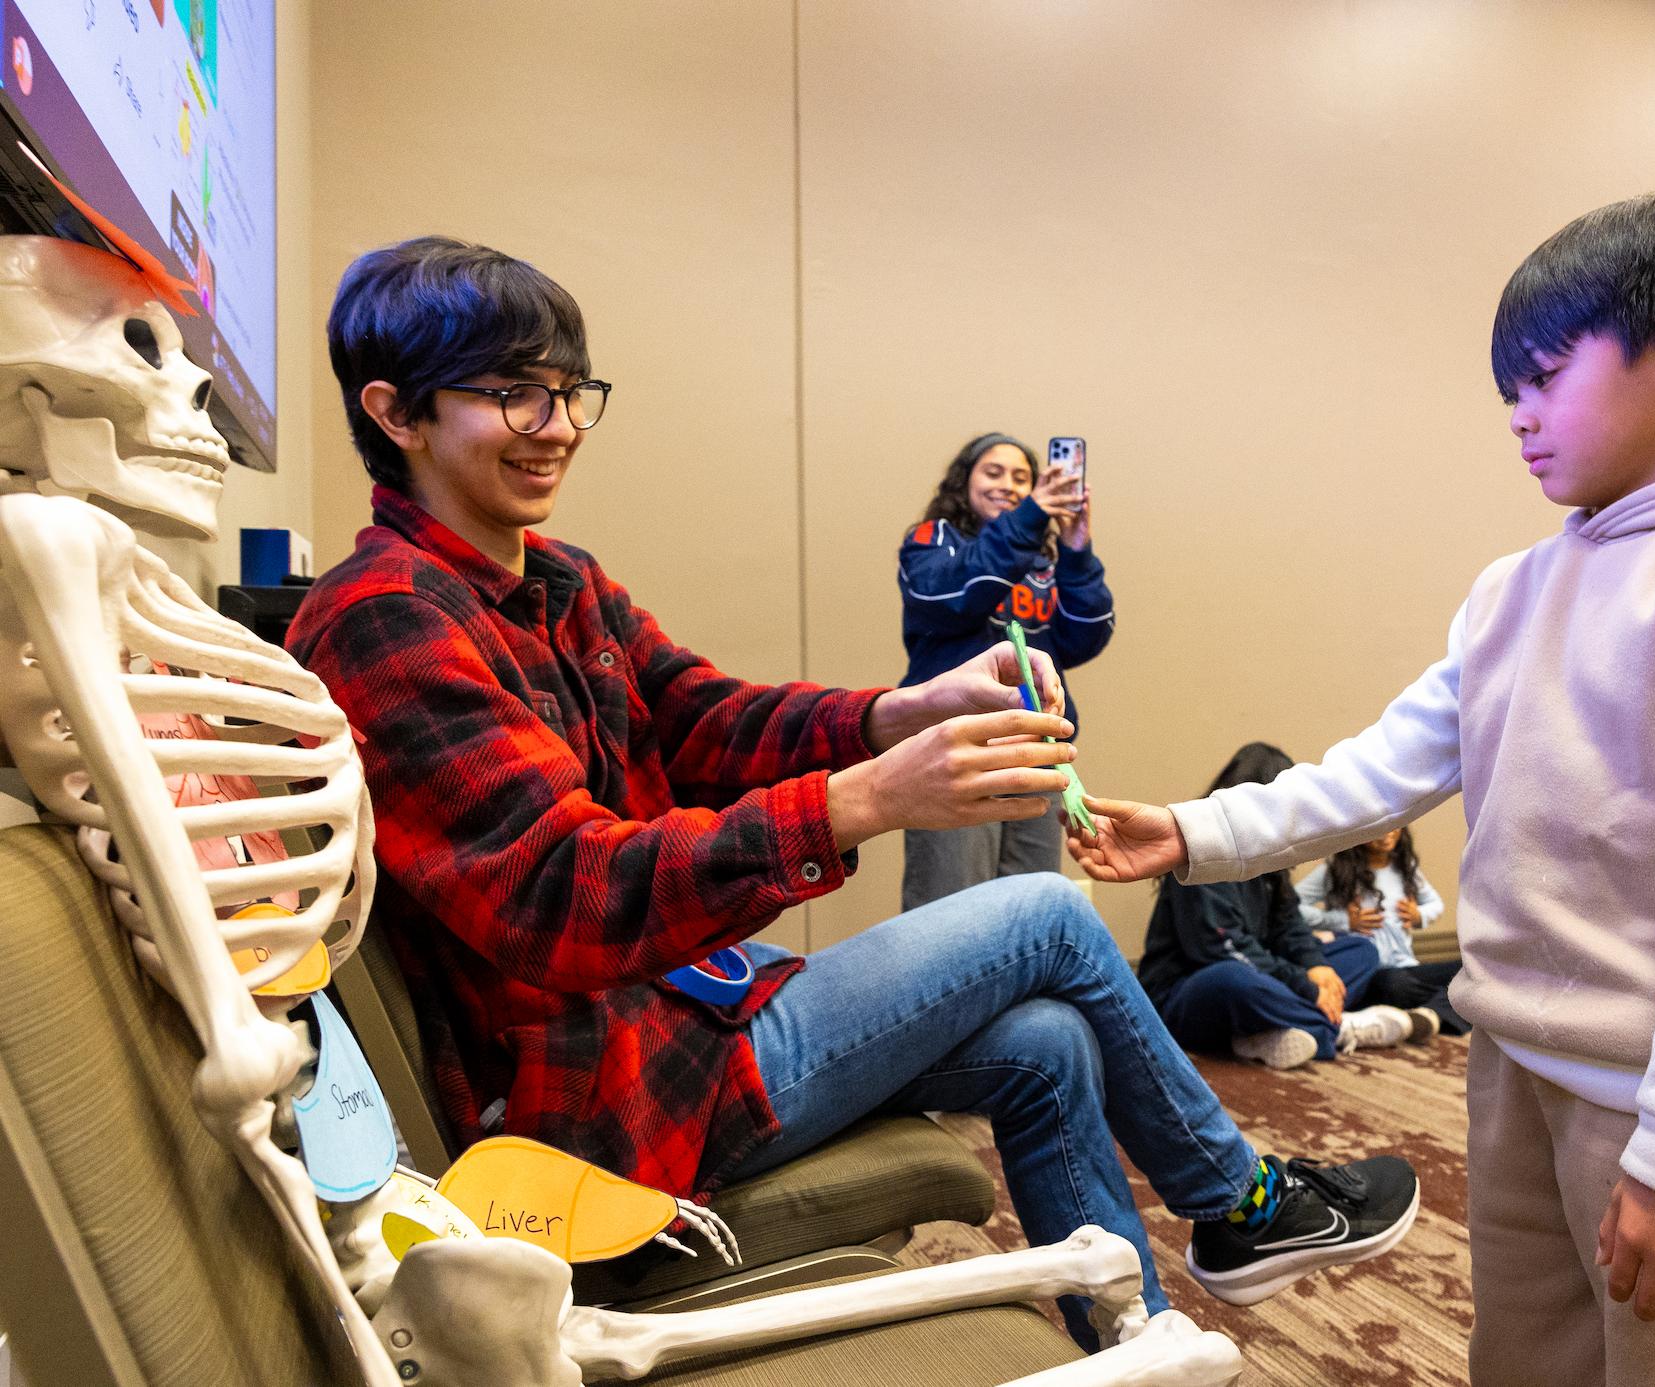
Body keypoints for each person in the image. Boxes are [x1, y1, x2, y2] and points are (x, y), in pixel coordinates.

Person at [286, 237, 1416, 1344]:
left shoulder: (559, 579)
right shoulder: (385, 616)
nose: (561, 429)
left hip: (687, 1011)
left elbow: (705, 716)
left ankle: (1130, 1343)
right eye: (516, 398)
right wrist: (864, 798)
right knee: (1054, 913)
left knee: (1048, 1041)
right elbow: (562, 892)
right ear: (396, 413)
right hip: (601, 1101)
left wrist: (903, 711)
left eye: (573, 394)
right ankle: (1242, 1206)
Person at [1070, 190, 1655, 1385]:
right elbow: (1383, 765)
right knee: (1529, 1357)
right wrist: (1196, 831)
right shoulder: (1515, 588)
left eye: (1545, 375)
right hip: (1517, 1066)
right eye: (1508, 390)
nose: (1518, 416)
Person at [897, 432, 1114, 910]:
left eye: (1021, 478)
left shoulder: (1042, 561)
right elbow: (953, 597)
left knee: (1029, 904)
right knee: (951, 900)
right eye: (992, 473)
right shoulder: (933, 540)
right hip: (957, 741)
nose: (1008, 486)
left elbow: (1084, 637)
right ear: (964, 480)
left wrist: (1076, 551)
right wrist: (1031, 518)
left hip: (1037, 746)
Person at [1137, 743, 1435, 1071]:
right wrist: (1305, 985)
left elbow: (1288, 924)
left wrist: (1314, 968)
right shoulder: (1202, 855)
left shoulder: (1268, 856)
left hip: (1265, 970)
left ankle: (1270, 1029)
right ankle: (1339, 1029)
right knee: (1234, 978)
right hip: (1193, 989)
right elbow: (1222, 950)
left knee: (1360, 951)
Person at [1297, 828, 1468, 1036]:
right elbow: (1291, 908)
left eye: (1394, 825)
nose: (1387, 833)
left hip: (1407, 967)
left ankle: (1428, 1016)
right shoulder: (1334, 871)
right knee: (1395, 985)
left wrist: (1418, 915)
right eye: (1379, 827)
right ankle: (1442, 1008)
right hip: (1374, 974)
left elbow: (1435, 904)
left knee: (1470, 970)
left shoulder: (1406, 868)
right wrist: (1341, 921)